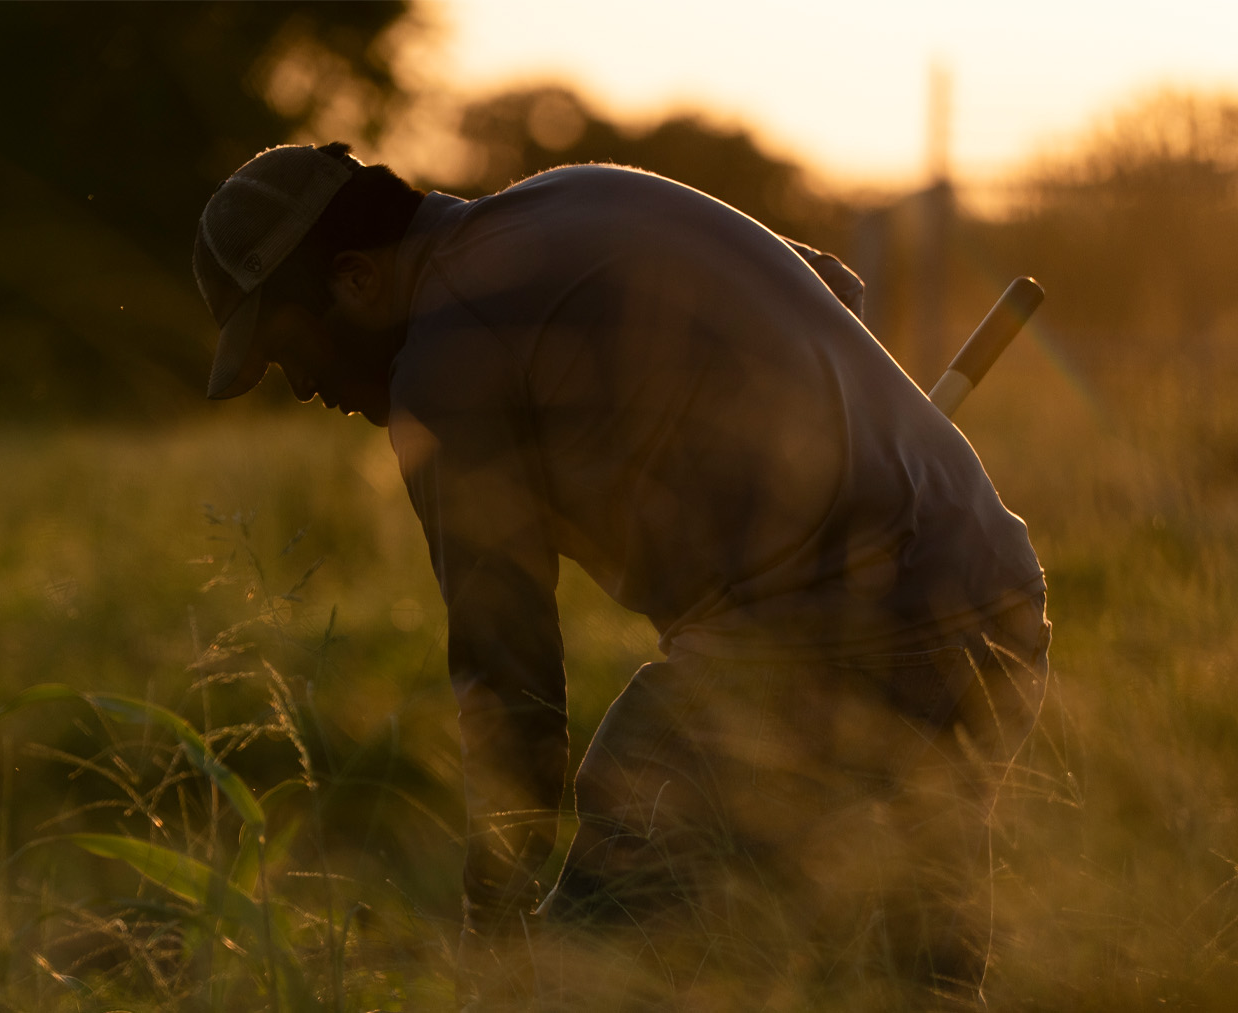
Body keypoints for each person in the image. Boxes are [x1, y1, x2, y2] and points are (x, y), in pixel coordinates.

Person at [191, 142, 1049, 1007]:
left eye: (286, 348)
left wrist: (495, 905)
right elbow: (831, 289)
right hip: (994, 593)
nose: (302, 386)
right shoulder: (586, 192)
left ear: (354, 280)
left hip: (816, 642)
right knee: (900, 979)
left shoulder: (445, 363)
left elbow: (508, 670)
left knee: (588, 976)